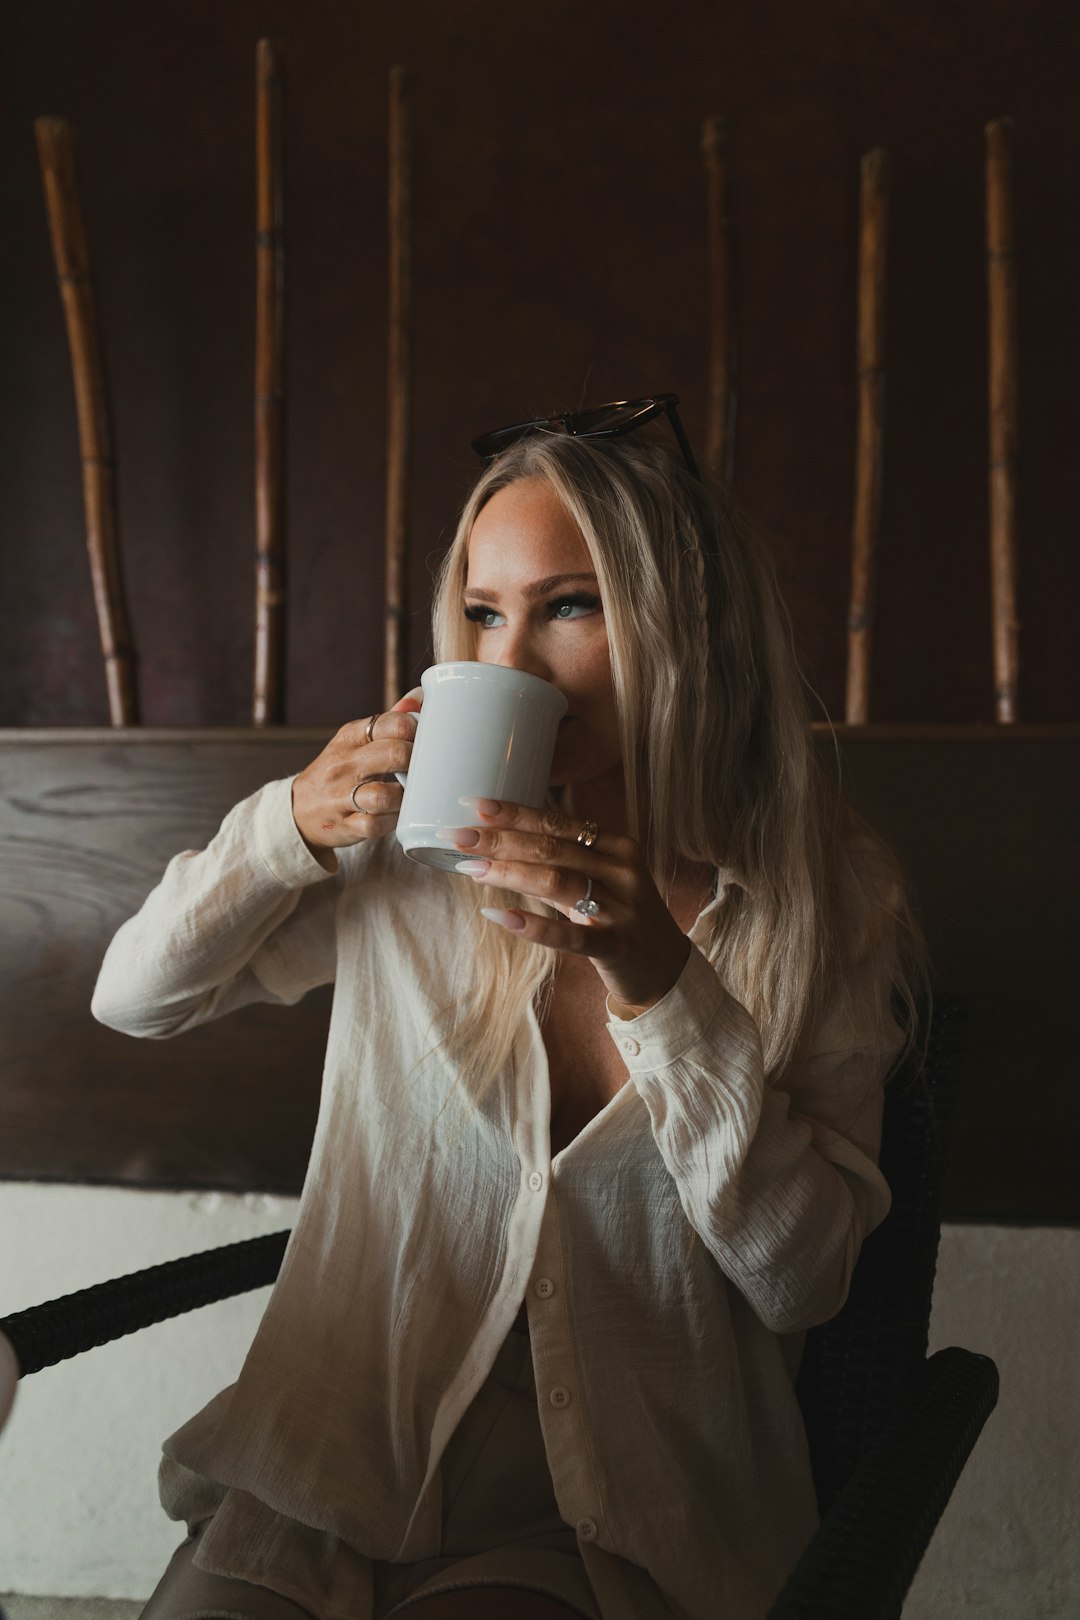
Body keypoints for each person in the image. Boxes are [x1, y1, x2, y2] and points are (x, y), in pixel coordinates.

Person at [93, 395, 929, 1620]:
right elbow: (134, 999)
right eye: (484, 614)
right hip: (338, 1465)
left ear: (686, 627)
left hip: (619, 1519)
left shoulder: (819, 898)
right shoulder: (410, 853)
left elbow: (801, 1282)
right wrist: (286, 829)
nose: (510, 664)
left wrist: (665, 988)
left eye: (569, 606)